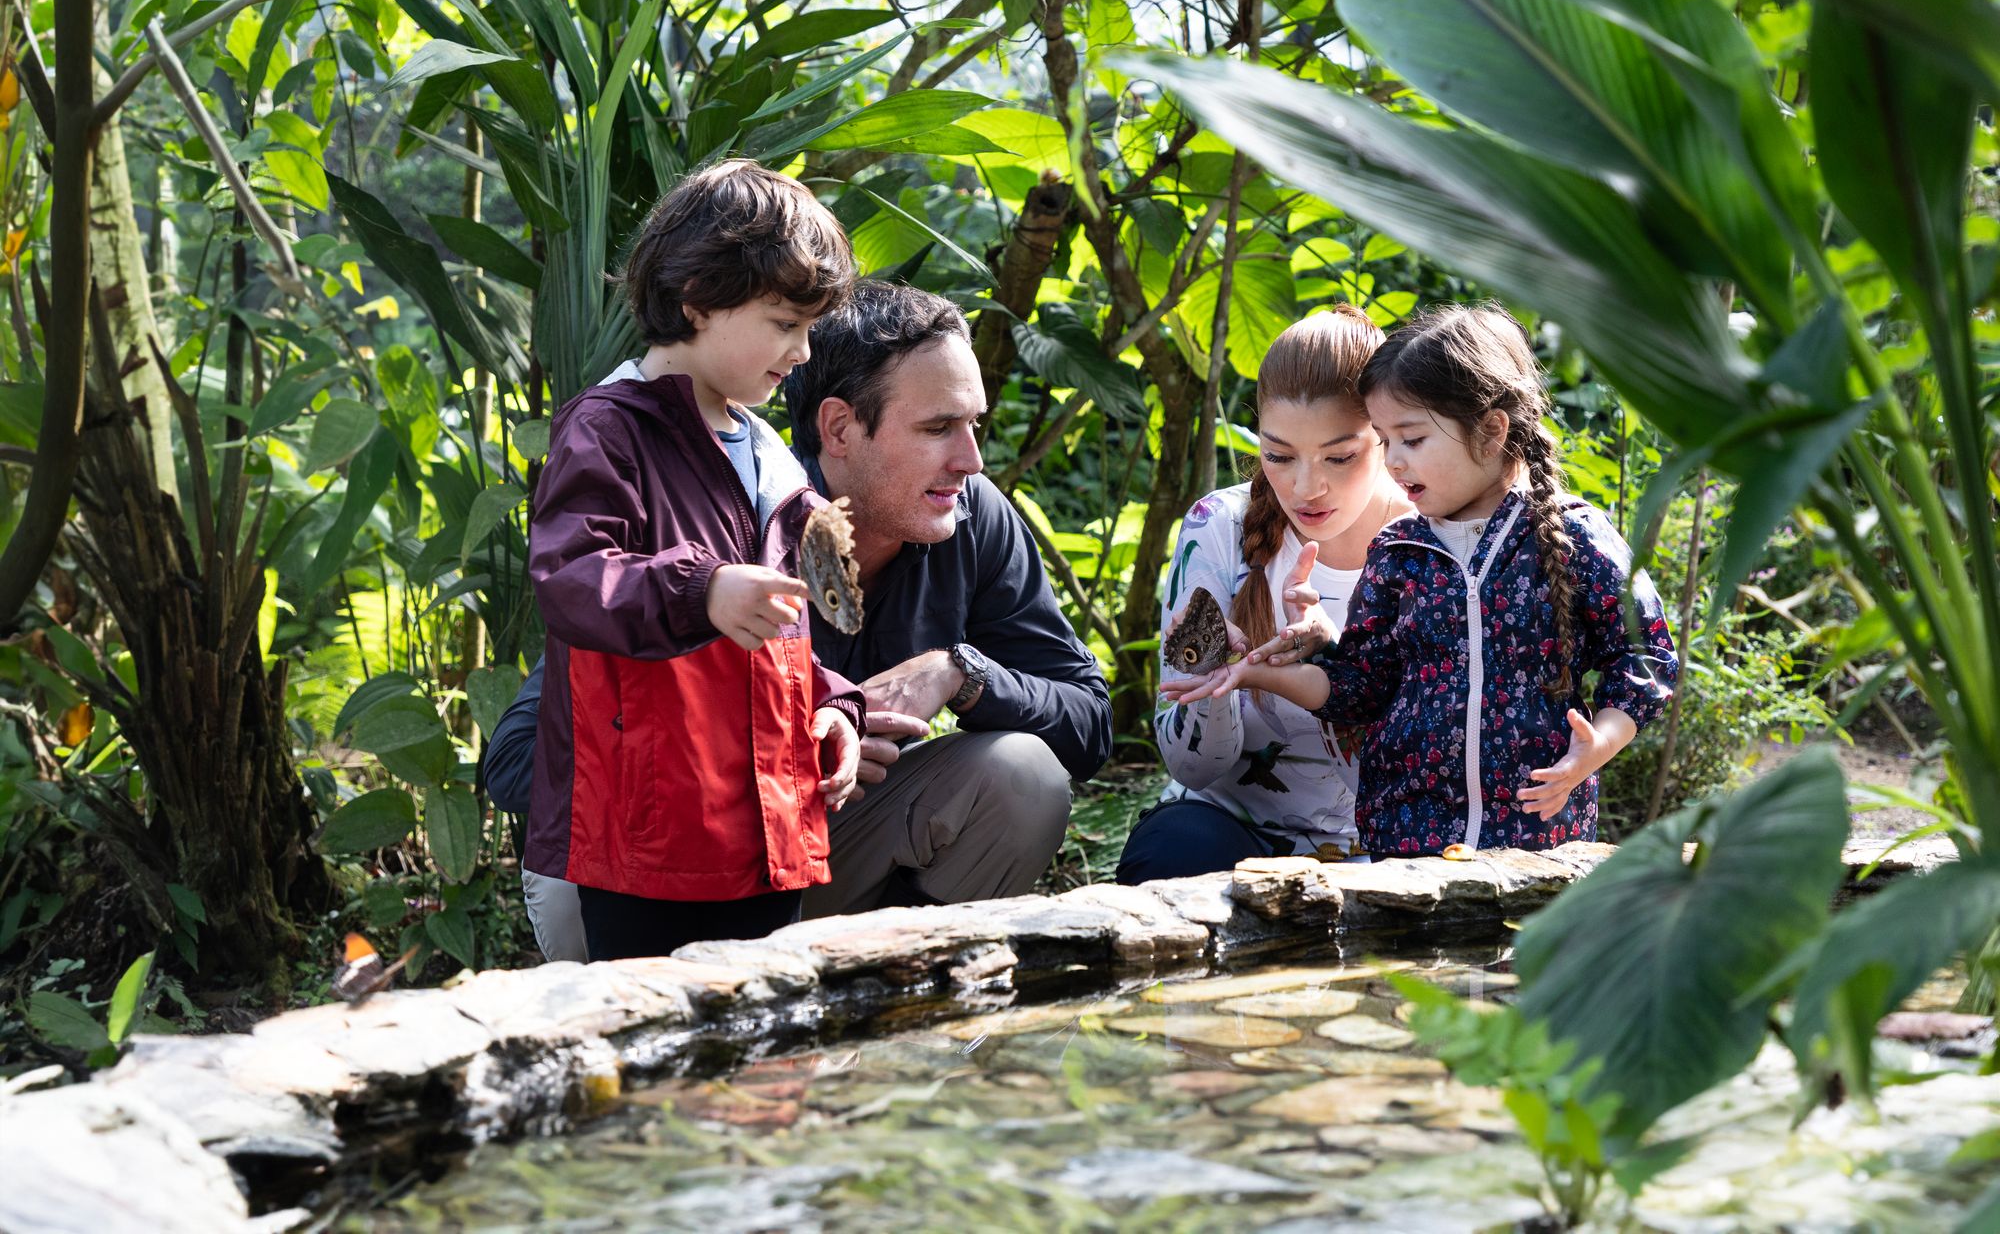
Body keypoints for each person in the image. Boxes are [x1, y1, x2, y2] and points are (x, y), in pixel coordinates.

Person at [486, 279, 1113, 959]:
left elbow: (1089, 724)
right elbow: (516, 761)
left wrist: (958, 673)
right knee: (576, 889)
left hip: (834, 854)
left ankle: (898, 1003)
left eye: (974, 425)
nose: (972, 459)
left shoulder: (971, 514)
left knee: (1024, 775)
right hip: (670, 866)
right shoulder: (742, 511)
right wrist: (786, 757)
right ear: (839, 429)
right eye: (937, 429)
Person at [1164, 302, 1677, 856]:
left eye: (1408, 441)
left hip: (1535, 837)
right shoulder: (1400, 551)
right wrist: (1253, 671)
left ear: (1490, 432)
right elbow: (1357, 689)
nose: (1395, 463)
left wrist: (1599, 743)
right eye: (1387, 442)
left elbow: (1644, 652)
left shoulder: (1569, 535)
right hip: (1407, 843)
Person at [522, 159, 863, 962]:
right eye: (784, 323)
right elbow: (571, 577)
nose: (802, 351)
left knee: (767, 1021)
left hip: (766, 827)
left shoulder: (769, 452)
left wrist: (834, 707)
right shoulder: (609, 429)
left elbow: (781, 628)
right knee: (655, 1025)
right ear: (699, 300)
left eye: (809, 328)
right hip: (652, 837)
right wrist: (700, 588)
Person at [1118, 307, 1410, 883]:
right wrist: (1214, 675)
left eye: (1339, 457)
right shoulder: (1218, 525)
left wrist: (1333, 666)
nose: (1306, 488)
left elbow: (1430, 762)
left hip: (1384, 843)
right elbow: (1191, 768)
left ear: (1387, 437)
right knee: (1171, 853)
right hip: (1229, 828)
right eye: (1279, 456)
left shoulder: (1427, 543)